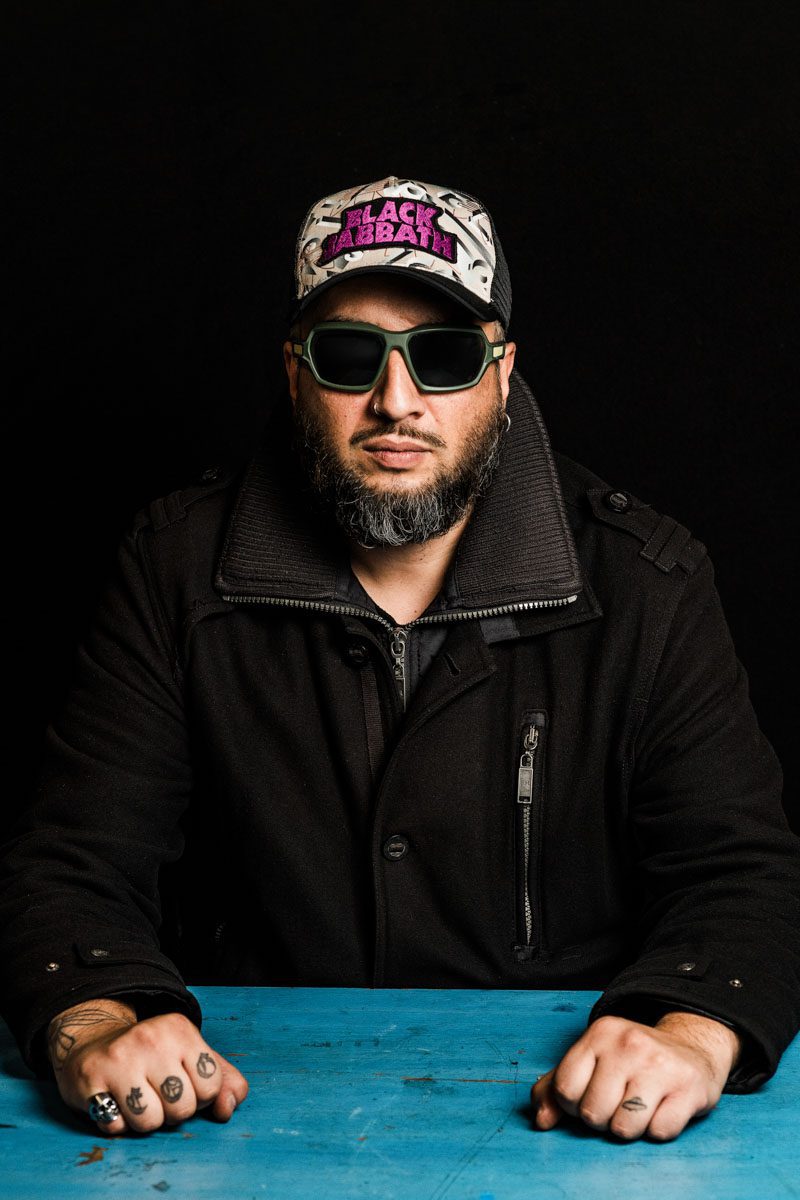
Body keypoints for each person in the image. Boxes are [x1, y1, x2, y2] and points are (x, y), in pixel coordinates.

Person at [2, 175, 798, 1143]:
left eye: (444, 356)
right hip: (250, 1111)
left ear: (502, 376)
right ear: (294, 374)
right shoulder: (175, 568)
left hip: (570, 1118)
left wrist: (689, 1030)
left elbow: (742, 873)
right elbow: (75, 858)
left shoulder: (646, 585)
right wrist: (96, 1021)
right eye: (349, 356)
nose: (395, 400)